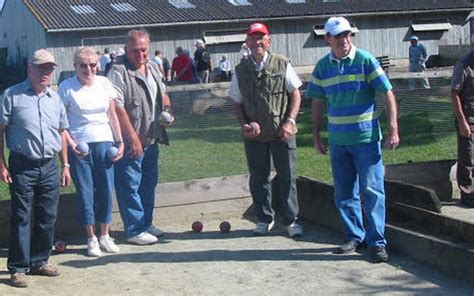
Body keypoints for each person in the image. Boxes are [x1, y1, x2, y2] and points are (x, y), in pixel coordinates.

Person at [306, 16, 399, 263]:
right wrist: (316, 134)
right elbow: (317, 101)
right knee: (344, 192)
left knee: (372, 190)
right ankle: (354, 236)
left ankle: (377, 242)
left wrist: (393, 128)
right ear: (327, 39)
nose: (344, 40)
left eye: (347, 34)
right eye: (338, 36)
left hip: (366, 139)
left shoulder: (365, 60)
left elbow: (386, 92)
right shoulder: (322, 67)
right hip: (338, 141)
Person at [0, 49, 72, 287]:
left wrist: (66, 165)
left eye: (49, 68)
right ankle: (18, 268)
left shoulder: (56, 99)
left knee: (47, 217)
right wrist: (1, 164)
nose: (45, 72)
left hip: (50, 165)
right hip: (22, 165)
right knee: (21, 216)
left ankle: (40, 261)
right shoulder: (12, 95)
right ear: (29, 69)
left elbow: (62, 133)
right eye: (40, 67)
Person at [229, 22, 303, 238]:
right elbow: (236, 102)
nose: (257, 42)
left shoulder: (282, 64)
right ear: (248, 42)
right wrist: (243, 123)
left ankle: (291, 221)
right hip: (255, 136)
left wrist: (289, 121)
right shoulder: (241, 70)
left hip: (282, 133)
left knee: (288, 177)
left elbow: (296, 94)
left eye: (261, 38)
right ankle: (264, 219)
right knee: (258, 178)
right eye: (253, 38)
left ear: (268, 41)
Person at [107, 29, 172, 245]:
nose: (141, 54)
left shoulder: (153, 67)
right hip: (131, 141)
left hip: (152, 138)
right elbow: (117, 107)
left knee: (148, 183)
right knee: (129, 184)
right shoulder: (118, 71)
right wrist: (132, 137)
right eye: (136, 50)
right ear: (126, 49)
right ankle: (134, 229)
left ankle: (146, 223)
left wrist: (169, 112)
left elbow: (163, 93)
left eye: (144, 50)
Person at [58, 47, 125, 257]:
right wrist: (72, 143)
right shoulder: (66, 87)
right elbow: (62, 124)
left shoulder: (105, 83)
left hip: (105, 143)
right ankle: (91, 238)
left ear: (98, 65)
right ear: (75, 66)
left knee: (106, 189)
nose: (89, 69)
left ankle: (105, 235)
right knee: (86, 192)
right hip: (81, 148)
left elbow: (112, 113)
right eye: (83, 65)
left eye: (93, 64)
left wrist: (120, 141)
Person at [450, 34, 474, 208]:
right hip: (468, 118)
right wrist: (462, 122)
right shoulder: (464, 65)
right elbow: (454, 93)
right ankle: (468, 195)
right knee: (468, 158)